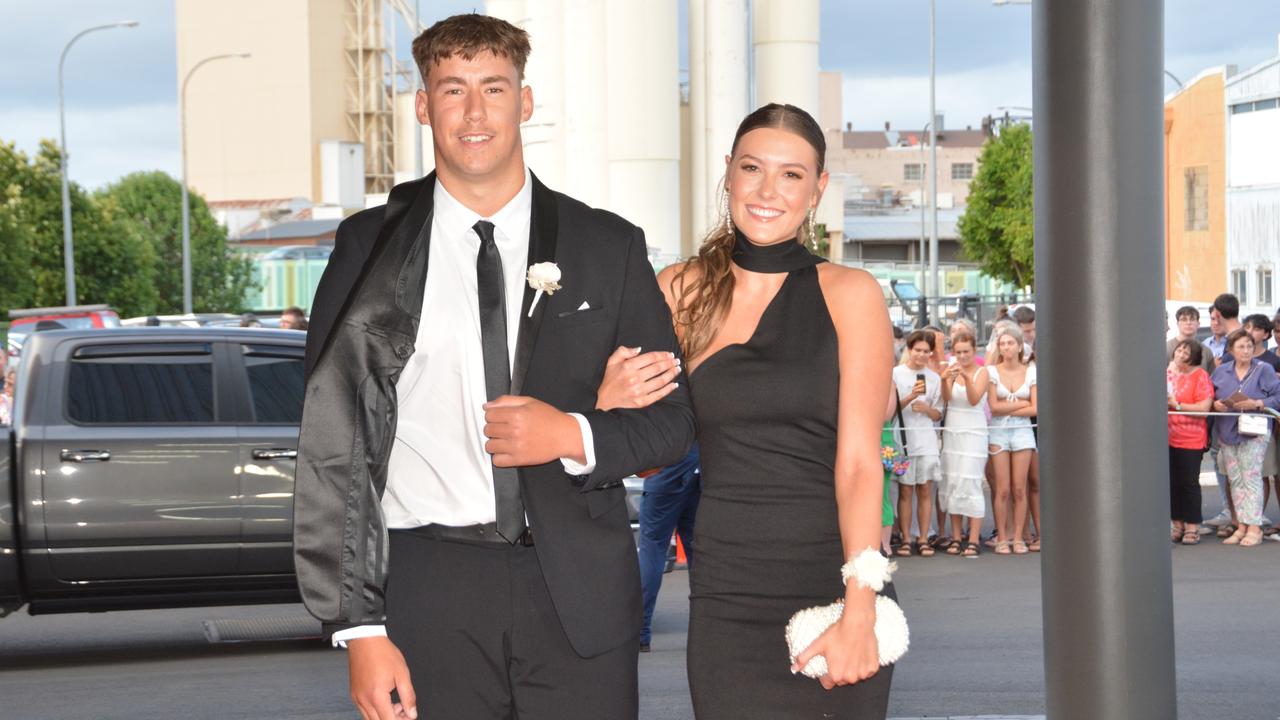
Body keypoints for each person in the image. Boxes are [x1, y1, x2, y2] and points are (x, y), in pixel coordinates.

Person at [291, 15, 696, 720]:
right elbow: (336, 446)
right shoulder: (367, 251)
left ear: (525, 101)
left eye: (493, 88)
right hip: (429, 588)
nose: (474, 113)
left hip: (577, 589)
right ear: (423, 106)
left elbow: (672, 424)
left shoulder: (607, 245)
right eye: (452, 90)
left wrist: (574, 432)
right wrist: (357, 628)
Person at [641, 103, 894, 717]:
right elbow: (647, 446)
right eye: (752, 167)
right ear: (727, 172)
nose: (766, 190)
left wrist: (860, 606)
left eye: (791, 174)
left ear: (818, 188)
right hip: (727, 591)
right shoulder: (679, 290)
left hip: (831, 583)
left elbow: (861, 463)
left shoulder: (851, 295)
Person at [1210, 329, 1280, 547]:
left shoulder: (1264, 369)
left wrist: (1257, 403)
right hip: (1227, 431)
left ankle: (1254, 527)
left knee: (1252, 478)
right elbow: (1210, 396)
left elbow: (1277, 396)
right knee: (1236, 479)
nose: (1246, 350)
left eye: (1249, 346)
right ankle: (1241, 525)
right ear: (1231, 349)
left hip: (1254, 430)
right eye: (1241, 346)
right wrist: (1216, 404)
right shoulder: (1221, 372)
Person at [634, 445, 700, 654]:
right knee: (700, 555)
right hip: (700, 468)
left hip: (666, 466)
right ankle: (706, 632)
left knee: (652, 549)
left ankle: (641, 634)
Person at [986, 324, 1037, 555]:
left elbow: (1035, 409)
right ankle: (1002, 537)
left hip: (1023, 431)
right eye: (1002, 343)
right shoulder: (992, 372)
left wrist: (1012, 408)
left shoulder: (1031, 371)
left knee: (1019, 488)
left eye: (1010, 343)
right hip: (998, 431)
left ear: (1019, 347)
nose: (1006, 347)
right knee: (1002, 489)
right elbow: (994, 408)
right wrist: (1022, 404)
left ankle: (1018, 537)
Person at [892, 330, 944, 558]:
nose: (921, 355)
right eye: (918, 350)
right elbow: (889, 410)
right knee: (905, 489)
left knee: (925, 489)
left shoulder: (934, 378)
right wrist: (911, 398)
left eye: (926, 351)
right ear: (909, 349)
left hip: (926, 441)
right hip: (901, 440)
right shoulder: (895, 374)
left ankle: (923, 538)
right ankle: (906, 538)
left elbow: (939, 414)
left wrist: (928, 409)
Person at [940, 331, 988, 558]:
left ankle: (973, 538)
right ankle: (956, 536)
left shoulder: (982, 371)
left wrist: (967, 377)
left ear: (974, 350)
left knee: (971, 481)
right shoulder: (951, 369)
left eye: (966, 352)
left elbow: (974, 398)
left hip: (974, 430)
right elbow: (947, 398)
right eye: (958, 352)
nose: (962, 356)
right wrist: (944, 378)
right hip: (953, 429)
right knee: (953, 481)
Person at [1167, 339, 1214, 544]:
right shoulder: (1166, 374)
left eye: (1186, 351)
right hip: (1167, 435)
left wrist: (1177, 405)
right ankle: (1177, 523)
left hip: (1191, 437)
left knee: (1189, 482)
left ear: (1194, 356)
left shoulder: (1200, 376)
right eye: (1179, 349)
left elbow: (1204, 408)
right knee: (1172, 483)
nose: (1181, 353)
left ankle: (1192, 525)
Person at [1203, 293, 1242, 531]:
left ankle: (1235, 513)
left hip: (1230, 413)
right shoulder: (1242, 334)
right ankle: (1237, 514)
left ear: (1217, 312)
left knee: (1229, 465)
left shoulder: (1235, 339)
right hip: (1232, 412)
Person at [1167, 305, 1215, 373]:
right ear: (1177, 324)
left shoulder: (1206, 351)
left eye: (1192, 319)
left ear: (1198, 324)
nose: (1188, 323)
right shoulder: (1166, 349)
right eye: (1184, 319)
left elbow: (1211, 379)